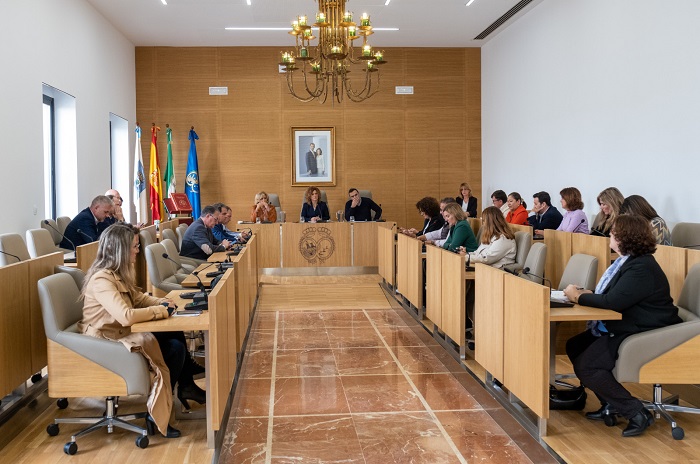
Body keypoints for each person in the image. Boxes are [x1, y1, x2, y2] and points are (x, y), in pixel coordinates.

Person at [79, 223, 207, 439]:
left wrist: (162, 301)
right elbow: (126, 315)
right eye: (134, 246)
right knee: (174, 348)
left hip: (121, 334)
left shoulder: (117, 273)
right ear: (120, 249)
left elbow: (138, 298)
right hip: (106, 344)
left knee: (173, 335)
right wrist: (159, 311)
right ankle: (155, 412)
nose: (137, 251)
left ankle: (184, 386)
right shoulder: (102, 280)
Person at [563, 215, 681, 437]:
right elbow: (615, 296)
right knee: (575, 345)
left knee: (588, 366)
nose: (609, 235)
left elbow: (613, 302)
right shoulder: (629, 262)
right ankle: (610, 403)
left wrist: (578, 297)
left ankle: (636, 412)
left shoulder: (641, 267)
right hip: (629, 324)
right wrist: (586, 294)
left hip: (644, 331)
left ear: (624, 238)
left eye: (612, 233)